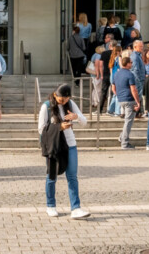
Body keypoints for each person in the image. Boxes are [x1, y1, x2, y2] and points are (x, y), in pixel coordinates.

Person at [38, 83, 90, 219]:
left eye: (66, 99)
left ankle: (76, 208)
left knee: (72, 177)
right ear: (55, 95)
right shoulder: (46, 106)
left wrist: (76, 117)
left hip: (70, 144)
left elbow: (85, 122)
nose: (64, 102)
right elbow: (41, 129)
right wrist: (59, 127)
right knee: (52, 176)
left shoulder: (71, 104)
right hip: (54, 146)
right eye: (61, 100)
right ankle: (50, 205)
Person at [112, 53, 142, 149]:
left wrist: (119, 95)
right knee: (128, 121)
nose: (132, 64)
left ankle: (122, 137)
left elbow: (113, 88)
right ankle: (124, 143)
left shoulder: (116, 73)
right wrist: (138, 101)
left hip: (121, 99)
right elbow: (133, 89)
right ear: (127, 64)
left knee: (127, 120)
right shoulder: (130, 74)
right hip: (129, 99)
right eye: (131, 62)